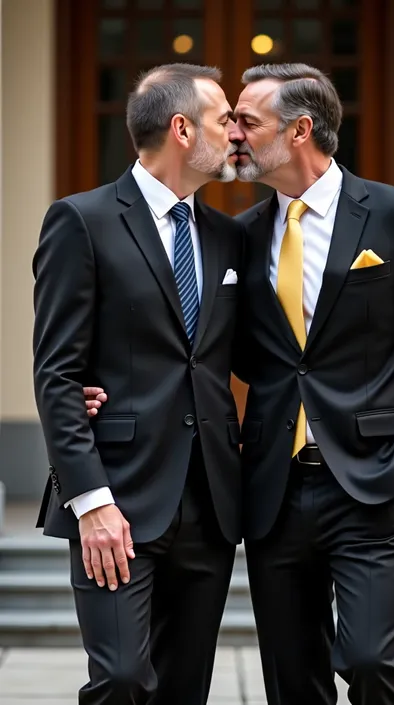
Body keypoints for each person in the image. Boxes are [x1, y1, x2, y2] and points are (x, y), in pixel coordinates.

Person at [227, 63, 394, 705]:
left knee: (369, 661)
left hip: (373, 480)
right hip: (274, 491)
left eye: (247, 122)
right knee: (292, 680)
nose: (233, 136)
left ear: (301, 129)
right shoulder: (242, 236)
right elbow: (218, 354)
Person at [33, 63, 243, 705]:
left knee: (185, 689)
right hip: (115, 501)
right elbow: (57, 372)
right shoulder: (81, 221)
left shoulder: (229, 237)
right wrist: (89, 500)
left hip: (209, 503)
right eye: (224, 118)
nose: (236, 132)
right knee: (122, 681)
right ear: (182, 128)